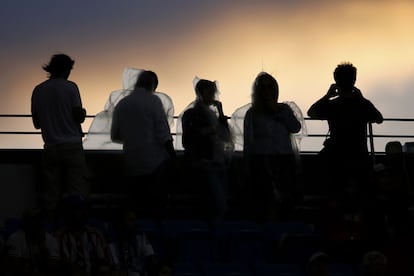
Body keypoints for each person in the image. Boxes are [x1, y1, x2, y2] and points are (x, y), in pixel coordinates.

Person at [307, 62, 383, 207]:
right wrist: (362, 98)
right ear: (354, 81)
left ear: (336, 82)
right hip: (359, 156)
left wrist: (327, 96)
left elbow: (311, 112)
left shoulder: (332, 105)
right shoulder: (362, 104)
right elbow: (379, 118)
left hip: (336, 156)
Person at [31, 53, 90, 220]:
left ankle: (51, 227)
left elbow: (37, 124)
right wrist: (82, 113)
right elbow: (78, 116)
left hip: (50, 146)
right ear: (66, 70)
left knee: (51, 194)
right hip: (72, 146)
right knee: (76, 190)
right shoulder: (71, 87)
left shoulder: (38, 90)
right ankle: (75, 227)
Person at [111, 70, 176, 219]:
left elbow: (115, 135)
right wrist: (173, 157)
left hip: (131, 161)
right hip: (154, 162)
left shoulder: (122, 104)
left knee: (136, 204)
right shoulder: (153, 101)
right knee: (156, 203)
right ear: (152, 85)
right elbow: (163, 133)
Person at [243, 72, 301, 221]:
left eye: (270, 87)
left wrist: (278, 112)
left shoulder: (284, 109)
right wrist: (247, 164)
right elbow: (248, 141)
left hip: (284, 159)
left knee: (286, 197)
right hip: (262, 160)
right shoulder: (252, 113)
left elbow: (295, 127)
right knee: (267, 200)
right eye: (263, 88)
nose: (267, 91)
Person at [181, 78, 233, 220]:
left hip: (216, 162)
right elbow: (190, 138)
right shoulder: (193, 114)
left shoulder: (211, 115)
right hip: (206, 163)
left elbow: (226, 136)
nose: (212, 95)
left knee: (220, 200)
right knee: (217, 202)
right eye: (209, 92)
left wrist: (221, 114)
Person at [56, 195, 111, 276]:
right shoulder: (61, 236)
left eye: (82, 209)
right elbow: (63, 264)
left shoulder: (95, 235)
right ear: (68, 212)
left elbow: (104, 262)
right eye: (76, 209)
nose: (79, 213)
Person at [5, 208, 60, 275]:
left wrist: (42, 245)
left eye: (39, 219)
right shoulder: (15, 238)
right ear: (25, 222)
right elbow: (15, 267)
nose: (36, 222)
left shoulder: (51, 239)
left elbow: (54, 268)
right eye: (33, 219)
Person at [108, 210, 157, 276]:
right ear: (122, 222)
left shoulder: (141, 238)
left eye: (134, 220)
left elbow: (151, 258)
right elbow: (115, 267)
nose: (134, 223)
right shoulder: (113, 244)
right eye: (130, 220)